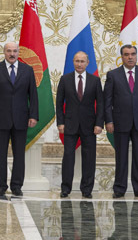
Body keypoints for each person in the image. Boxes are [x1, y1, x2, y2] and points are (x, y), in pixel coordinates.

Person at [0, 41, 39, 197]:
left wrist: (33, 115)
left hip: (21, 119)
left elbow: (33, 95)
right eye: (9, 51)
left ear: (18, 52)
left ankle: (16, 186)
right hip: (0, 118)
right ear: (4, 52)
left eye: (14, 51)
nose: (12, 54)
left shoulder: (27, 70)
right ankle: (1, 186)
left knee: (19, 155)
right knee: (0, 155)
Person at [104, 45, 138, 199]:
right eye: (126, 54)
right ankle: (119, 188)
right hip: (120, 122)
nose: (130, 57)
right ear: (122, 57)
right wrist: (109, 120)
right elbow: (107, 100)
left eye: (133, 54)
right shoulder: (113, 75)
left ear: (136, 55)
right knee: (121, 157)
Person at [56, 51, 103, 198]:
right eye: (77, 61)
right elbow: (59, 103)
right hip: (69, 124)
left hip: (90, 125)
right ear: (73, 62)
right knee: (68, 156)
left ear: (87, 63)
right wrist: (60, 122)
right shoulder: (65, 79)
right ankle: (65, 188)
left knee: (89, 158)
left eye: (82, 61)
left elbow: (100, 104)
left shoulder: (95, 80)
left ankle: (87, 189)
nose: (79, 64)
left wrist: (99, 124)